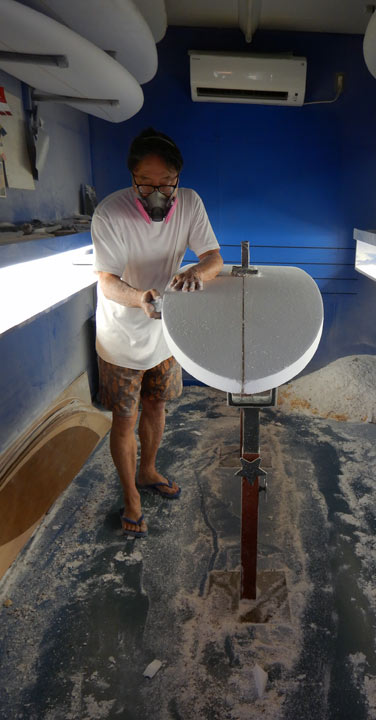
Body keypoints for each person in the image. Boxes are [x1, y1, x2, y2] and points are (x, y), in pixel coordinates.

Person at [91, 128, 223, 536]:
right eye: (145, 184)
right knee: (125, 418)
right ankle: (131, 496)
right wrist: (139, 298)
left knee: (157, 405)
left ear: (177, 178)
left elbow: (214, 258)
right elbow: (107, 281)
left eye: (166, 184)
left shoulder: (190, 203)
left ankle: (147, 470)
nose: (157, 193)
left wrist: (196, 271)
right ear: (132, 178)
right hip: (121, 335)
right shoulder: (110, 213)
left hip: (165, 329)